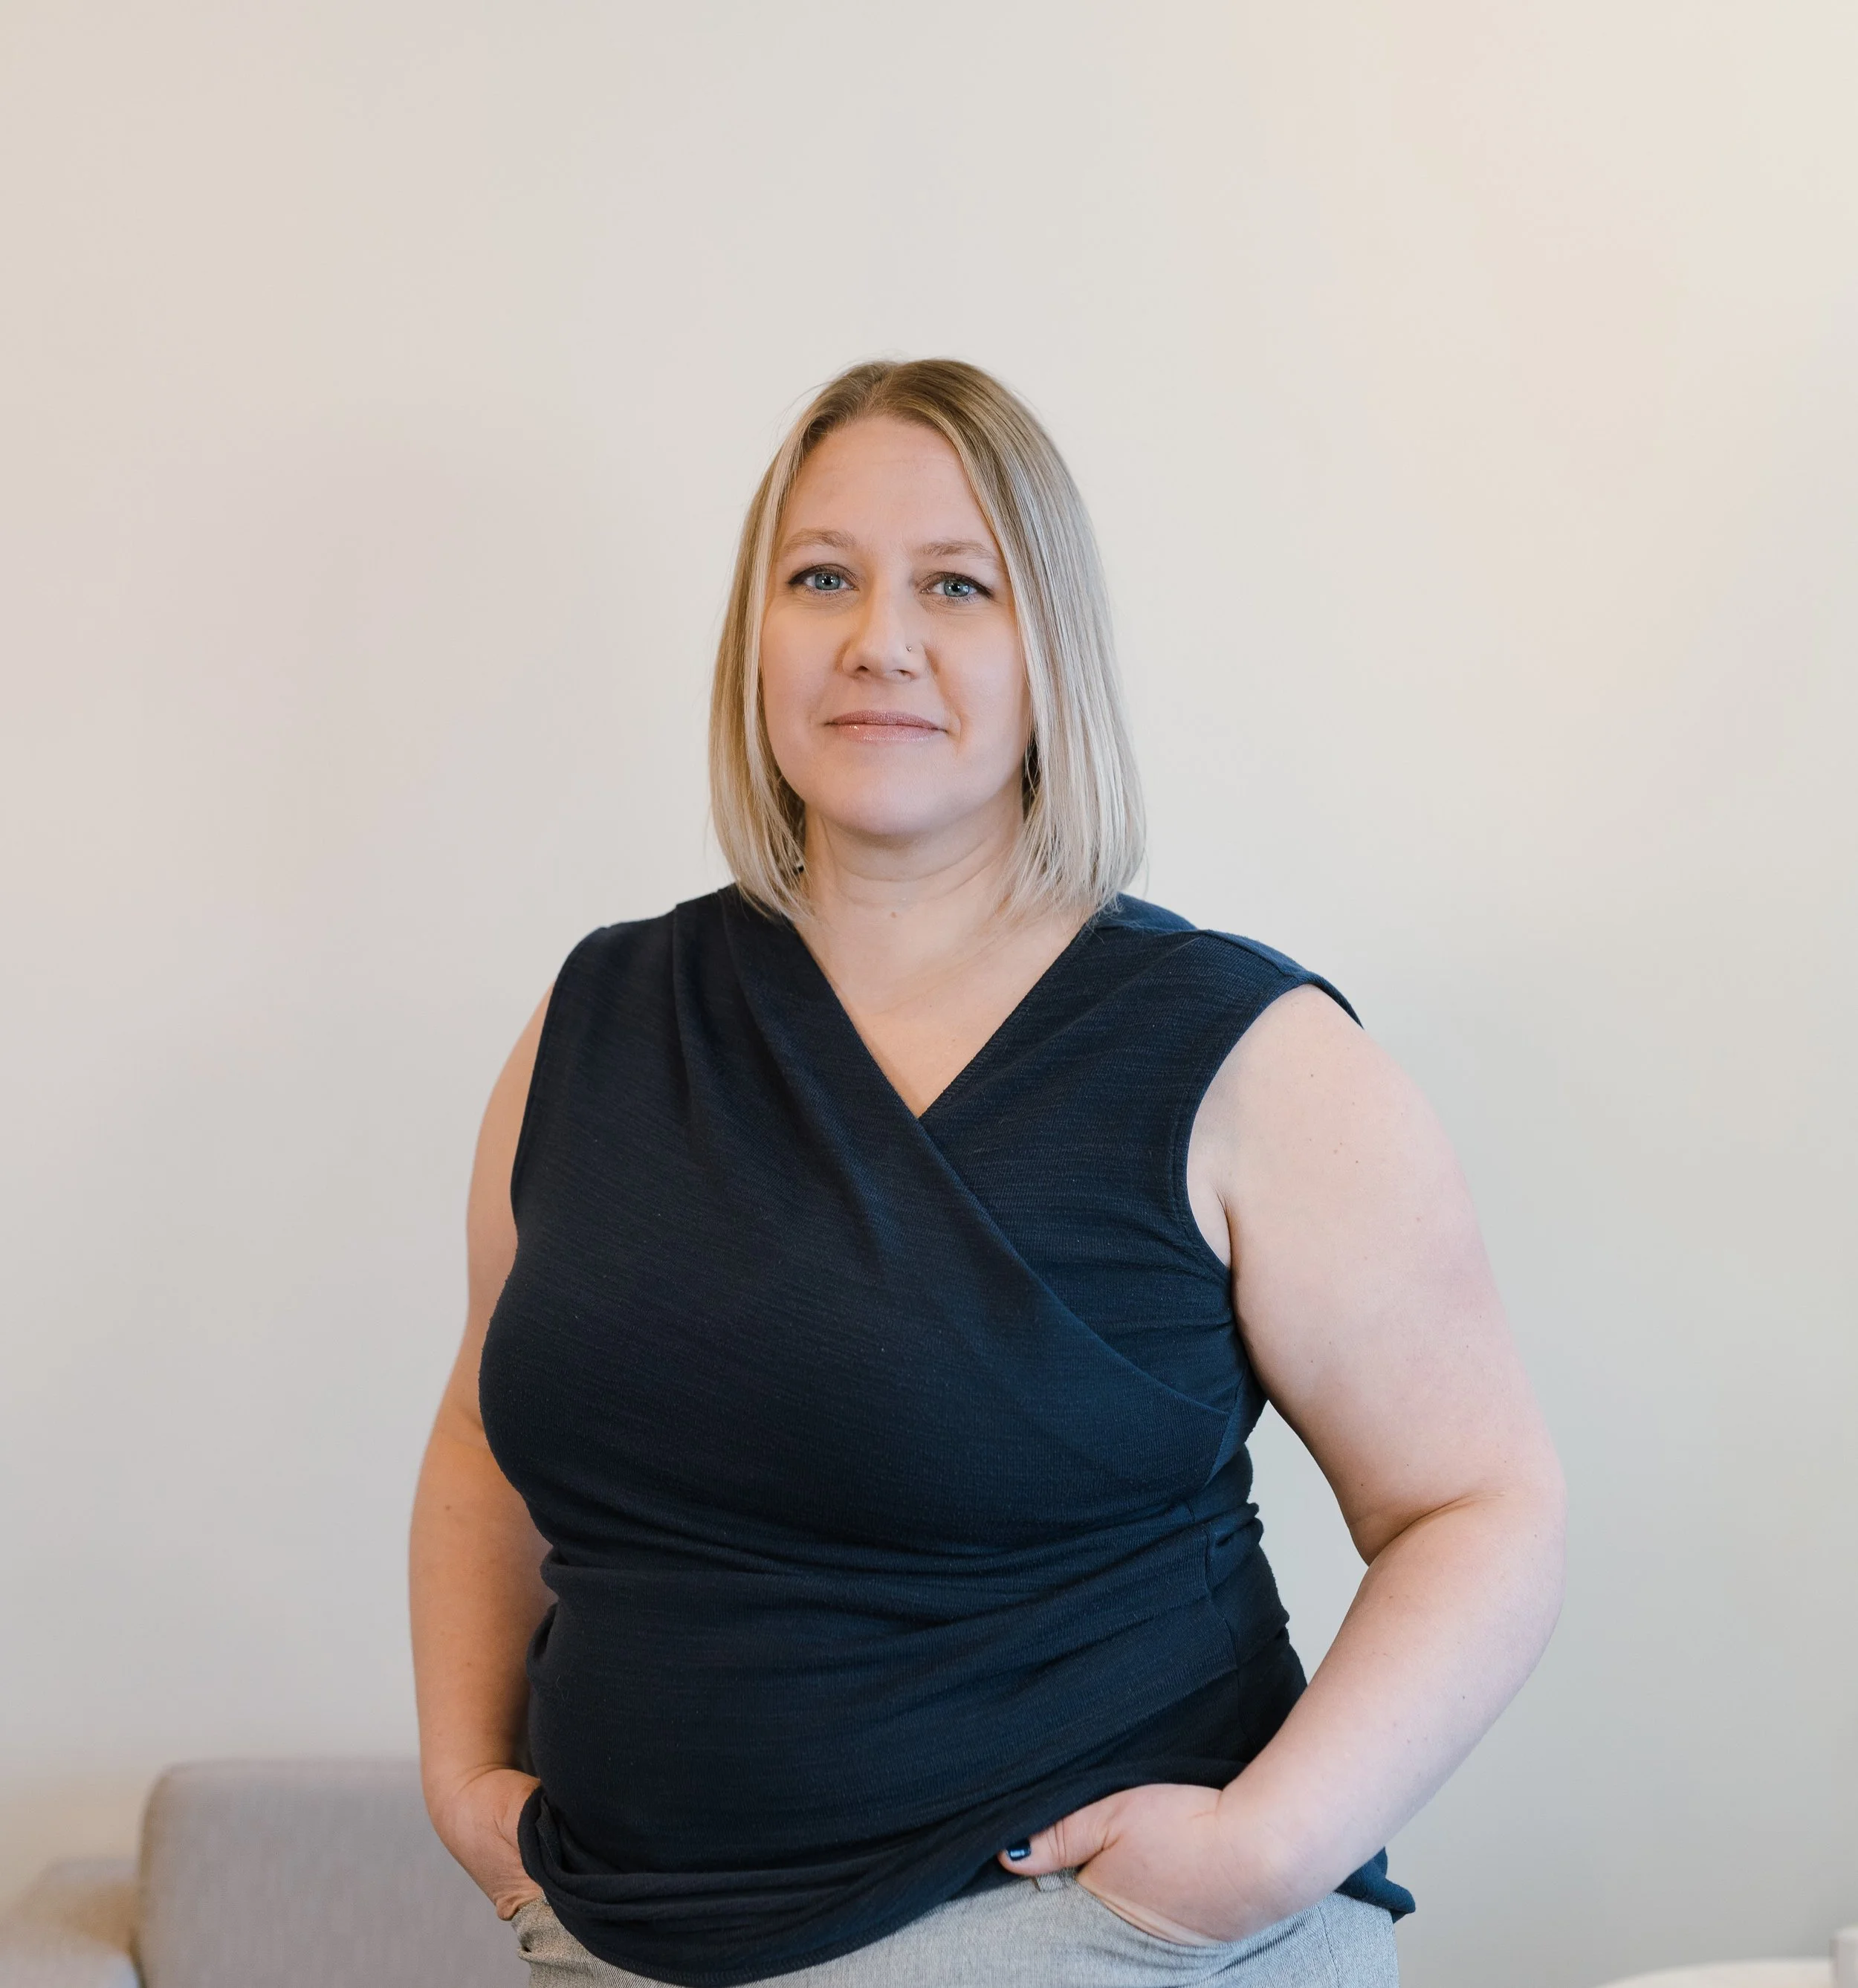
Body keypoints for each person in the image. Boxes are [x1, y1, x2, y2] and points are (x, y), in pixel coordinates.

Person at [408, 358, 1566, 1988]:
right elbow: (483, 1431)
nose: (879, 635)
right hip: (614, 1936)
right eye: (821, 577)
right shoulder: (594, 1018)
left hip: (1075, 1941)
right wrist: (463, 1782)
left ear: (1050, 651)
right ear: (758, 633)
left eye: (955, 583)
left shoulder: (1247, 1056)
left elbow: (1478, 1502)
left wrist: (1256, 1855)